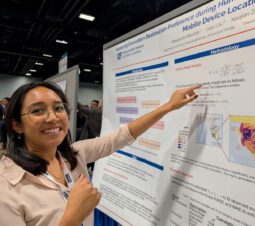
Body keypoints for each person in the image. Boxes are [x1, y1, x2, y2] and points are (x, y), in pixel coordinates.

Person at [0, 81, 200, 226]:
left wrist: (169, 106)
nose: (52, 117)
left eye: (58, 108)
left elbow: (122, 135)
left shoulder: (74, 155)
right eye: (37, 111)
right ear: (16, 124)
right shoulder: (7, 186)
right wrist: (72, 218)